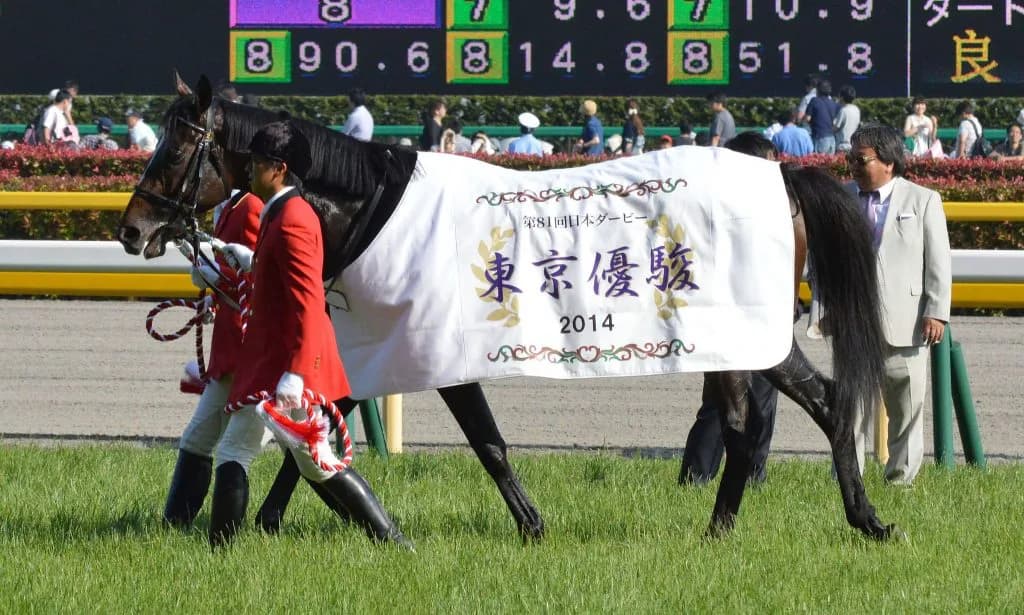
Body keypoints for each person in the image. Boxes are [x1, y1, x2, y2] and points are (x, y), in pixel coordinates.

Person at [215, 120, 410, 548]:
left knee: (258, 454)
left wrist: (297, 373)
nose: (249, 168)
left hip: (286, 365)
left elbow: (307, 301)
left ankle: (218, 555)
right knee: (309, 461)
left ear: (279, 169)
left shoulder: (293, 219)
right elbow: (284, 281)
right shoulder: (282, 212)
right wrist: (251, 261)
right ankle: (392, 541)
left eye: (258, 162)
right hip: (277, 361)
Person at [846, 124, 951, 485]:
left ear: (888, 162)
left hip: (907, 322)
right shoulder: (842, 197)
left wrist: (936, 311)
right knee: (849, 409)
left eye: (861, 160)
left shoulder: (923, 200)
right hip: (854, 323)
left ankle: (900, 481)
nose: (853, 166)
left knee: (906, 408)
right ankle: (848, 481)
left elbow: (938, 262)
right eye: (850, 159)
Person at [679, 131, 783, 487]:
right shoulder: (714, 208)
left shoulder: (774, 207)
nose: (775, 169)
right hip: (725, 319)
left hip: (766, 317)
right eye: (769, 163)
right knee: (720, 402)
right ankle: (696, 478)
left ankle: (753, 477)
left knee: (763, 401)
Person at [162, 188, 265, 529]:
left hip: (251, 354)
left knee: (238, 451)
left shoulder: (250, 206)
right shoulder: (231, 205)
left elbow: (263, 277)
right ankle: (174, 526)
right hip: (230, 353)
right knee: (196, 438)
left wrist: (221, 280)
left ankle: (223, 542)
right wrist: (217, 298)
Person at [804, 80, 839, 154]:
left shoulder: (814, 101)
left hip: (820, 137)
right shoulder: (833, 103)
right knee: (830, 161)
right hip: (832, 138)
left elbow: (807, 118)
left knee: (818, 160)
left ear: (818, 90)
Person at [833, 85, 860, 152]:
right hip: (853, 144)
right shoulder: (856, 109)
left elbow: (835, 128)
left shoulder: (843, 110)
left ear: (842, 97)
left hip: (842, 145)